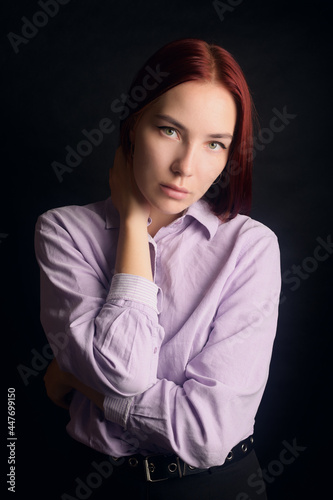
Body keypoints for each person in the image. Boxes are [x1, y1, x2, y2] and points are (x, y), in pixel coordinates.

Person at [35, 38, 281, 499]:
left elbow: (205, 435)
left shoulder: (250, 247)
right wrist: (131, 225)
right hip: (96, 482)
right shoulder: (65, 233)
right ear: (132, 129)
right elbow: (126, 371)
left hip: (220, 488)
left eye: (214, 144)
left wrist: (84, 386)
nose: (186, 166)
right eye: (169, 130)